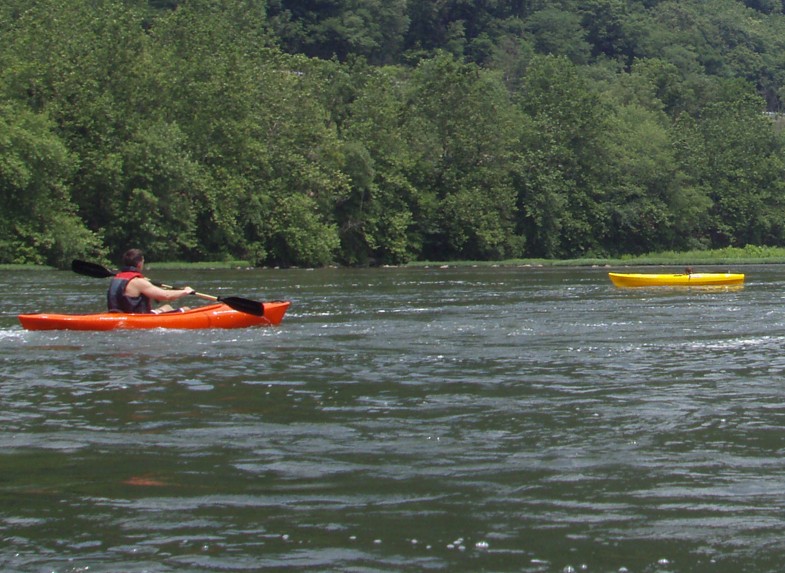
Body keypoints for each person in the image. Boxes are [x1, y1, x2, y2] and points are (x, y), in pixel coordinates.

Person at [107, 249, 195, 314]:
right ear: (139, 264)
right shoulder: (138, 282)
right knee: (186, 309)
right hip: (137, 319)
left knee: (167, 307)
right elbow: (166, 296)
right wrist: (185, 291)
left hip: (118, 315)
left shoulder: (117, 278)